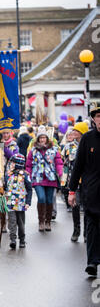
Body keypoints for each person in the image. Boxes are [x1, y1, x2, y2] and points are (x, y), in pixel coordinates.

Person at [68, 107, 100, 276]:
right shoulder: (87, 139)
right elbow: (78, 166)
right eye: (98, 116)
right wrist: (72, 191)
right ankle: (93, 262)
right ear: (94, 120)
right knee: (92, 226)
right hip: (91, 192)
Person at [26, 125, 63, 232]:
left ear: (47, 139)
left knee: (49, 199)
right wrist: (27, 175)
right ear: (38, 139)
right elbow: (28, 165)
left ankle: (48, 222)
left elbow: (58, 163)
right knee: (41, 198)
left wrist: (61, 173)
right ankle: (41, 221)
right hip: (38, 178)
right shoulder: (33, 150)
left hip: (50, 178)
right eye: (40, 138)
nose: (42, 140)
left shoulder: (54, 149)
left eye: (44, 138)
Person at [62, 122, 89, 241]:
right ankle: (76, 230)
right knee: (75, 205)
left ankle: (87, 232)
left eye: (76, 130)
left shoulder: (89, 144)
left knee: (88, 207)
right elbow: (65, 164)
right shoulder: (68, 146)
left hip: (88, 180)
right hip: (74, 181)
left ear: (81, 132)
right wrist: (64, 180)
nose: (73, 132)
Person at [5, 153, 32, 249]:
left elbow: (29, 189)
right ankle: (12, 240)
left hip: (20, 203)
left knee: (20, 222)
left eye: (12, 163)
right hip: (10, 202)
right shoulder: (8, 174)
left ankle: (22, 239)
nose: (10, 165)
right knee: (11, 221)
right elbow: (5, 187)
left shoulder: (25, 175)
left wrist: (28, 202)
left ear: (17, 164)